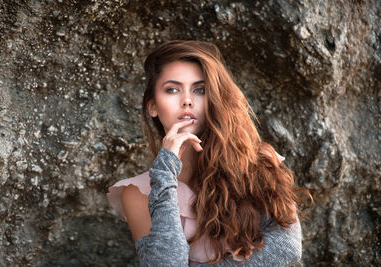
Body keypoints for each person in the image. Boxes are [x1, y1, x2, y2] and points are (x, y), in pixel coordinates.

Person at [107, 40, 310, 266]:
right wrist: (165, 170)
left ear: (213, 99)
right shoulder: (138, 193)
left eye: (200, 90)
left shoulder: (258, 163)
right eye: (172, 89)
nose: (187, 100)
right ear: (152, 106)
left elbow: (288, 247)